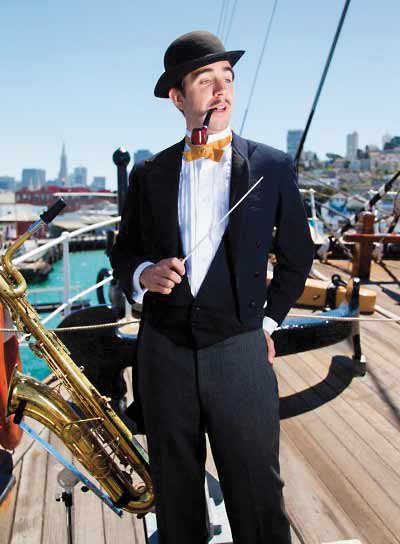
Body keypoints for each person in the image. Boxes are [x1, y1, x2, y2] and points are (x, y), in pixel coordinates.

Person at [111, 30, 314, 544]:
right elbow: (124, 252)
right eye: (206, 80)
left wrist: (267, 322)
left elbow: (297, 257)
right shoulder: (149, 173)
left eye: (227, 79)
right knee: (176, 499)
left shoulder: (271, 166)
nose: (221, 90)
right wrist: (142, 275)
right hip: (163, 353)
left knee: (257, 493)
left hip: (239, 351)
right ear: (178, 98)